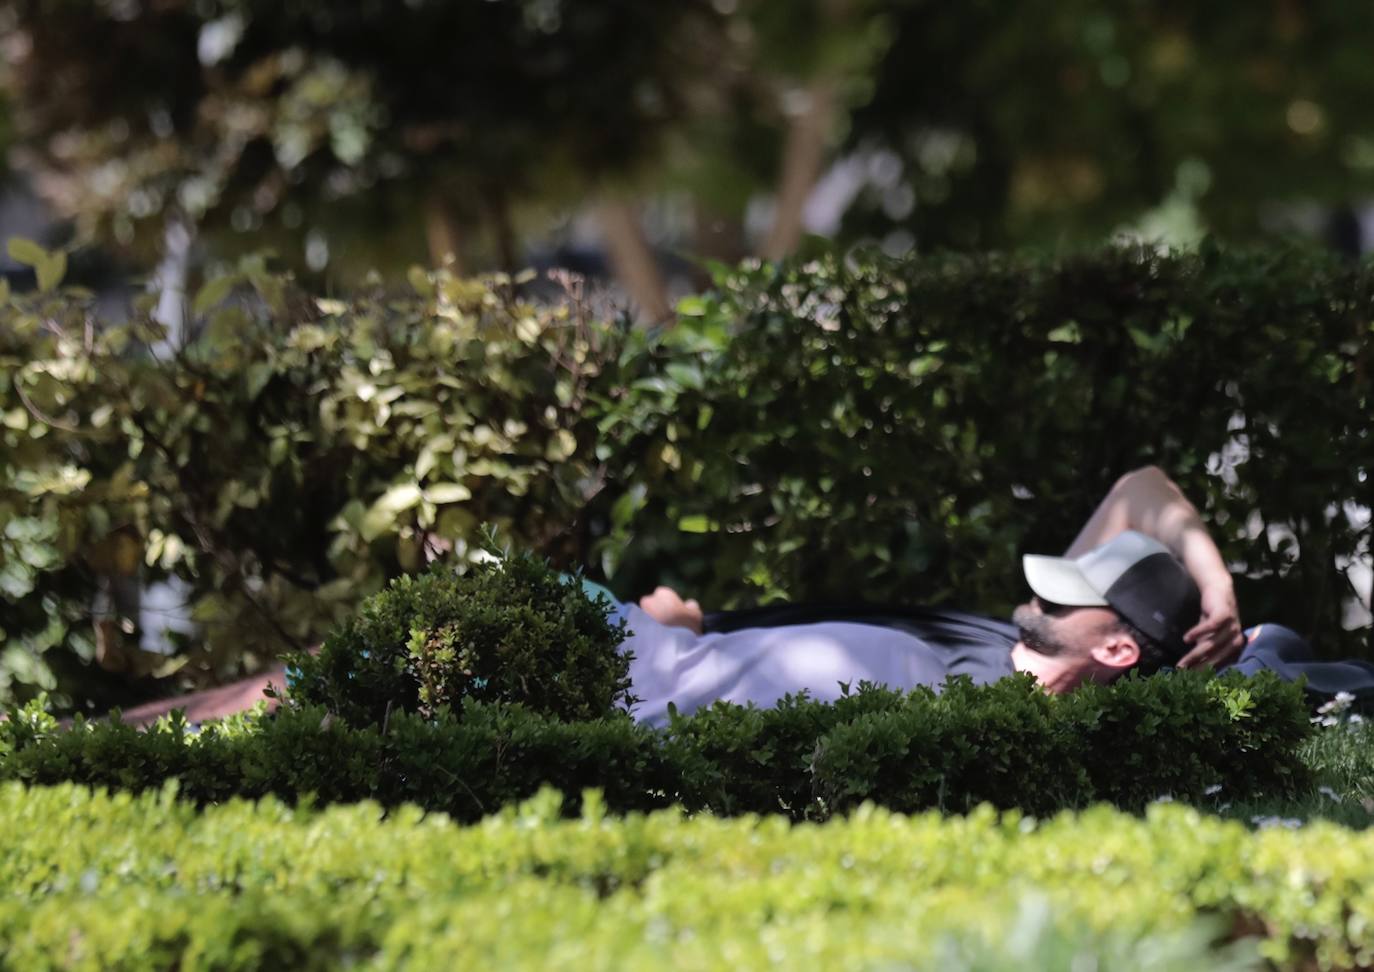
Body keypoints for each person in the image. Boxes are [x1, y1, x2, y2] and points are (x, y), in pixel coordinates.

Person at [116, 466, 1369, 727]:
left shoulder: (1021, 737)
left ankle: (79, 758)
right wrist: (1213, 574)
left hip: (624, 694)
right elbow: (1145, 487)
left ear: (1120, 658)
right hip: (640, 648)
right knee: (315, 673)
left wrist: (1255, 653)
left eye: (1078, 599)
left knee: (313, 698)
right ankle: (81, 756)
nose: (1042, 597)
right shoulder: (998, 639)